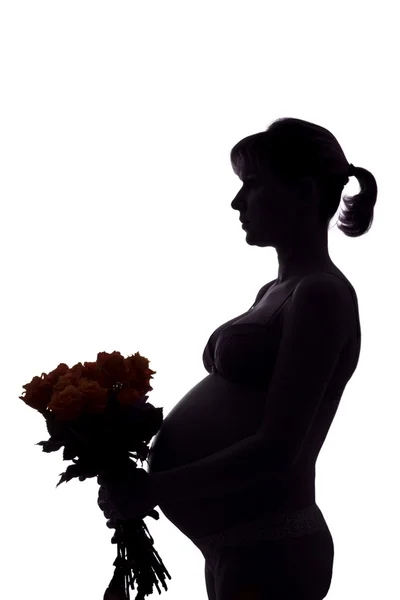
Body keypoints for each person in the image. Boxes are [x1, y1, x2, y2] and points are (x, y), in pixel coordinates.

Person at [99, 117, 378, 599]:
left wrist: (151, 491)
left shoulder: (321, 294)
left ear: (304, 192)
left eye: (253, 185)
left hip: (272, 550)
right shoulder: (277, 291)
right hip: (240, 548)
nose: (237, 201)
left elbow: (278, 449)